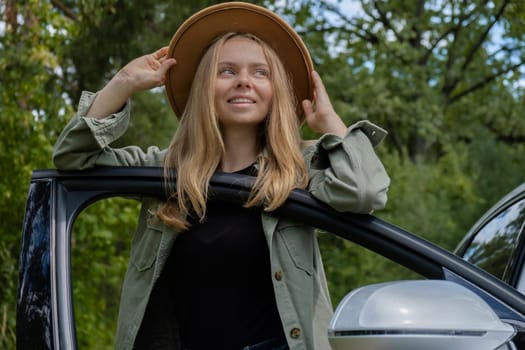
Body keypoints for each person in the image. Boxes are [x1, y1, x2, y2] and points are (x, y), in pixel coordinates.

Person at [52, 2, 390, 350]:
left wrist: (331, 123)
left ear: (277, 92)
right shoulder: (165, 170)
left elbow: (364, 193)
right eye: (227, 71)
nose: (244, 81)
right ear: (204, 88)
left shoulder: (300, 167)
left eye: (260, 73)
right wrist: (122, 84)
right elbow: (73, 159)